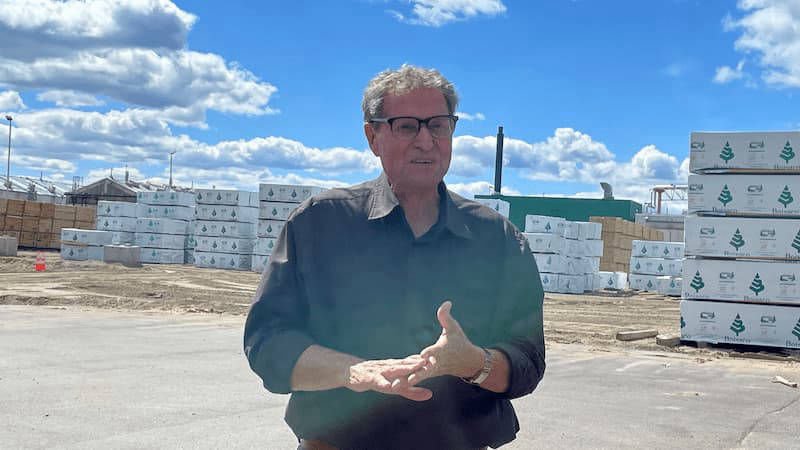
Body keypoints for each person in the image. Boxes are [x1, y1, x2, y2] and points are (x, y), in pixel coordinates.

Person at [244, 64, 545, 450]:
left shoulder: (499, 240)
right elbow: (268, 342)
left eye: (438, 126)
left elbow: (527, 361)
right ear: (373, 137)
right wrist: (353, 372)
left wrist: (472, 362)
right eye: (406, 126)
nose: (426, 141)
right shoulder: (318, 224)